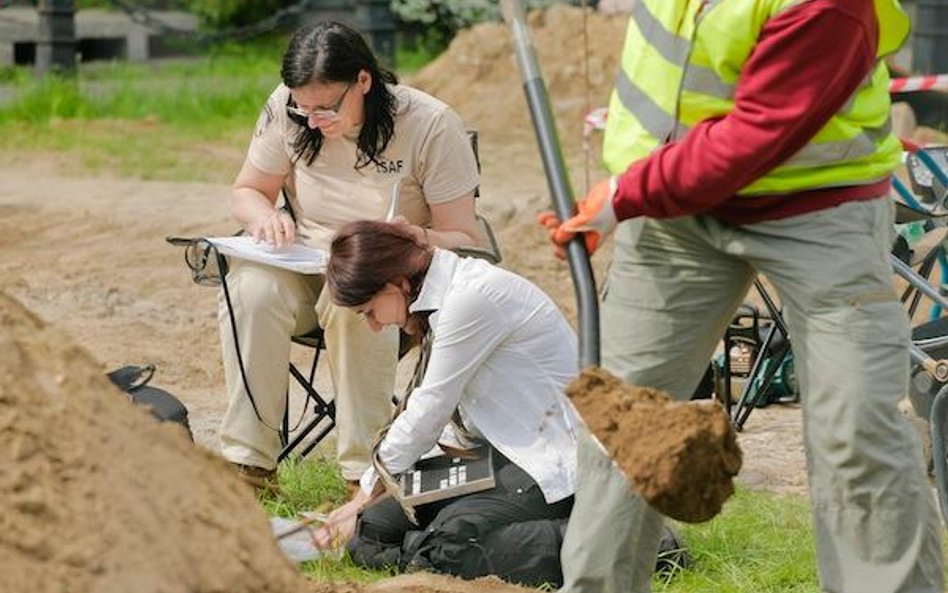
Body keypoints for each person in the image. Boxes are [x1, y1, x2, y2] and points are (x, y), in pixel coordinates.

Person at [540, 1, 944, 592]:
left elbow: (756, 134)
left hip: (820, 207)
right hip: (673, 213)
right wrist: (627, 189)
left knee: (857, 435)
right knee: (621, 425)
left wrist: (623, 195)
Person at [218, 21, 483, 491]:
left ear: (364, 81)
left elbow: (464, 236)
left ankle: (363, 476)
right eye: (304, 109)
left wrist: (417, 237)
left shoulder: (429, 123)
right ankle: (249, 466)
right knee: (250, 289)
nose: (314, 120)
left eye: (326, 108)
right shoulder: (287, 107)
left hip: (389, 277)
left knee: (354, 302)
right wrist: (264, 216)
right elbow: (248, 191)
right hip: (303, 261)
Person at [311, 220, 580, 586]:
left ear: (397, 286)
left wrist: (360, 498)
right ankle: (426, 550)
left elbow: (428, 410)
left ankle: (616, 539)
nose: (374, 325)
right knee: (371, 531)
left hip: (547, 463)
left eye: (369, 311)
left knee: (446, 548)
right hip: (494, 455)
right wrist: (364, 505)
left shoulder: (470, 298)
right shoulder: (441, 297)